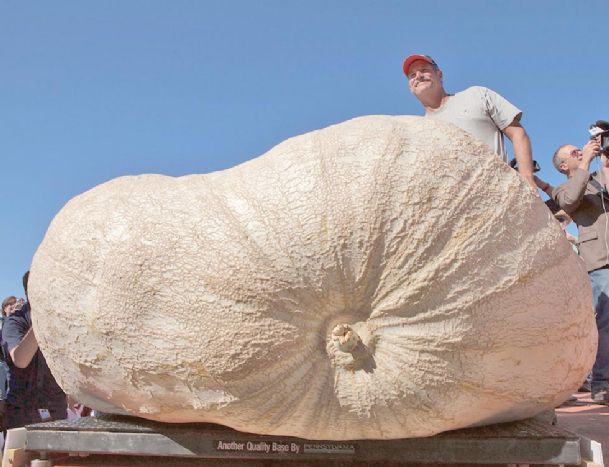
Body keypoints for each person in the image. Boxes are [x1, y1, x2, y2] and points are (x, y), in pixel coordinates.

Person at [403, 54, 537, 191]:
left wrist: (527, 178)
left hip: (500, 191)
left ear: (439, 75)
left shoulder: (477, 95)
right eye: (412, 75)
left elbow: (517, 133)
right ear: (410, 87)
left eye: (424, 70)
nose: (418, 76)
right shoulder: (419, 130)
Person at [551, 136, 609, 403]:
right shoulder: (563, 188)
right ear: (565, 165)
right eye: (575, 152)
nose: (581, 150)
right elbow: (570, 201)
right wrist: (586, 162)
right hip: (601, 260)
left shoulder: (601, 174)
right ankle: (603, 384)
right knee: (606, 324)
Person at [1, 271, 67, 428]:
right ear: (29, 291)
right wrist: (41, 319)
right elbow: (20, 359)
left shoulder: (62, 320)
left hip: (56, 411)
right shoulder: (15, 322)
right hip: (22, 413)